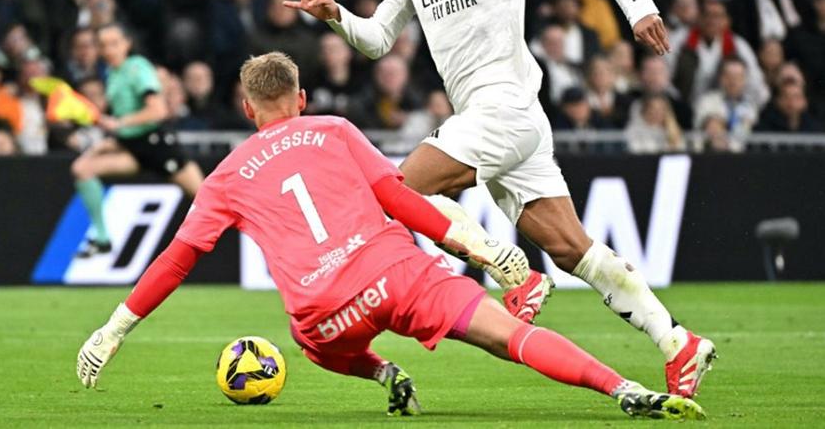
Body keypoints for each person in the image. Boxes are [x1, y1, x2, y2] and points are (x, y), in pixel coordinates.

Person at [282, 0, 715, 398]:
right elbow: (377, 41)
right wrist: (335, 15)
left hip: (505, 106)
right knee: (572, 248)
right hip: (500, 120)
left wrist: (639, 8)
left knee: (400, 190)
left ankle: (513, 271)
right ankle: (678, 342)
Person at [76, 52, 705, 422]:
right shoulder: (332, 129)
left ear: (248, 110)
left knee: (311, 339)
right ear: (301, 97)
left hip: (323, 314)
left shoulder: (223, 178)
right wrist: (480, 249)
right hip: (395, 275)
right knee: (507, 337)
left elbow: (177, 260)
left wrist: (112, 330)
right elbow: (401, 200)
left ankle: (380, 374)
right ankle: (624, 391)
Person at [70, 23, 204, 257]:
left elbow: (158, 111)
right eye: (103, 45)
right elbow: (122, 115)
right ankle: (102, 239)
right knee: (82, 168)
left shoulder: (137, 68)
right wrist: (107, 126)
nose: (108, 49)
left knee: (206, 198)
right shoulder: (112, 73)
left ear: (127, 44)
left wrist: (119, 124)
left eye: (114, 43)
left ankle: (264, 233)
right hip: (130, 145)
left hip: (156, 145)